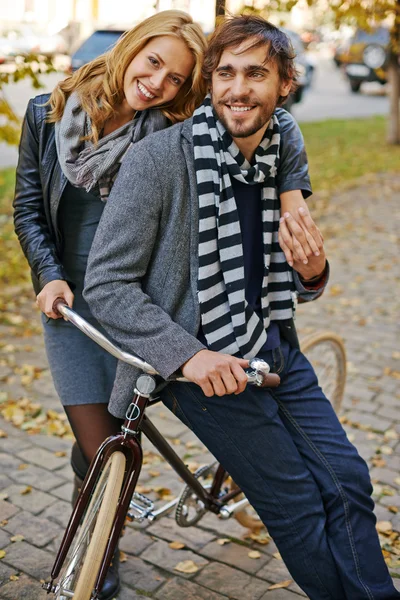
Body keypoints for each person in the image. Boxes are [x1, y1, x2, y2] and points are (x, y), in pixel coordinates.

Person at [84, 15, 400, 600]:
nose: (237, 88)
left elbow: (295, 274)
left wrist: (313, 272)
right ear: (208, 83)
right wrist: (189, 357)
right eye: (224, 73)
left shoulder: (282, 146)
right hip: (197, 368)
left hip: (273, 346)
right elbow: (106, 284)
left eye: (256, 73)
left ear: (285, 85)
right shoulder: (158, 163)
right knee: (299, 505)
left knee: (350, 481)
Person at [13, 11, 207, 600]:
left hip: (134, 306)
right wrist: (47, 275)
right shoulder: (47, 115)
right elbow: (27, 209)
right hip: (68, 305)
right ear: (133, 47)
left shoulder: (172, 136)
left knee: (112, 445)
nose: (158, 84)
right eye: (155, 63)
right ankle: (98, 546)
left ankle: (99, 544)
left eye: (176, 80)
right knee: (101, 445)